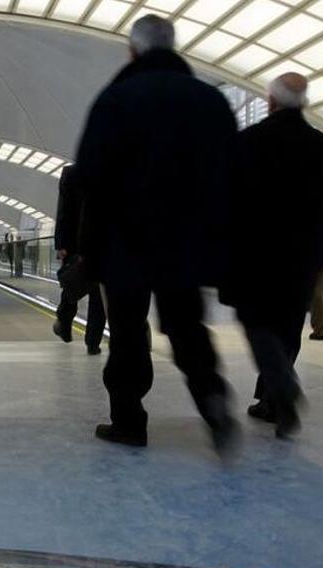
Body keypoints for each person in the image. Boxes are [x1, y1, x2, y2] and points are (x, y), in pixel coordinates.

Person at [76, 14, 239, 454]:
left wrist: (91, 245)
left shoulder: (117, 98)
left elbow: (90, 173)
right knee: (187, 326)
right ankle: (213, 399)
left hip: (126, 239)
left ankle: (129, 421)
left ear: (133, 51)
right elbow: (231, 174)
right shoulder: (210, 101)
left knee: (127, 332)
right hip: (187, 240)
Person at [222, 73, 323, 438]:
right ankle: (272, 401)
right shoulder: (321, 145)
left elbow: (230, 199)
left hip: (257, 251)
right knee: (289, 326)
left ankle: (282, 389)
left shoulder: (250, 141)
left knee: (258, 322)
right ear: (303, 102)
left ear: (271, 101)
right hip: (303, 254)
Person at [53, 164, 106, 355]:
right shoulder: (74, 173)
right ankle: (81, 332)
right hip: (88, 242)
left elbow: (63, 210)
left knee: (86, 288)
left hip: (88, 242)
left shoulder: (72, 173)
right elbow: (63, 210)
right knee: (84, 287)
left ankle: (83, 335)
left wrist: (61, 244)